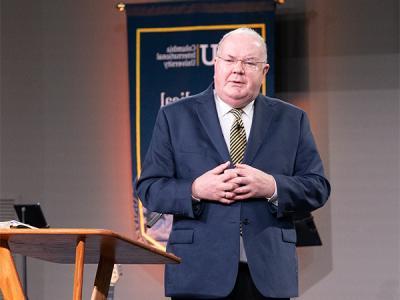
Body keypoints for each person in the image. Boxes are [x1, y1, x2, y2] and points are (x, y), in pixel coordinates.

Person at [135, 28, 330, 300]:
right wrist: (195, 190)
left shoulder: (292, 120)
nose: (238, 70)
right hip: (198, 273)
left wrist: (272, 186)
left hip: (267, 273)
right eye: (229, 60)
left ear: (264, 71)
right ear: (216, 65)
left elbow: (317, 187)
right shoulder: (175, 116)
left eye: (249, 62)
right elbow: (149, 189)